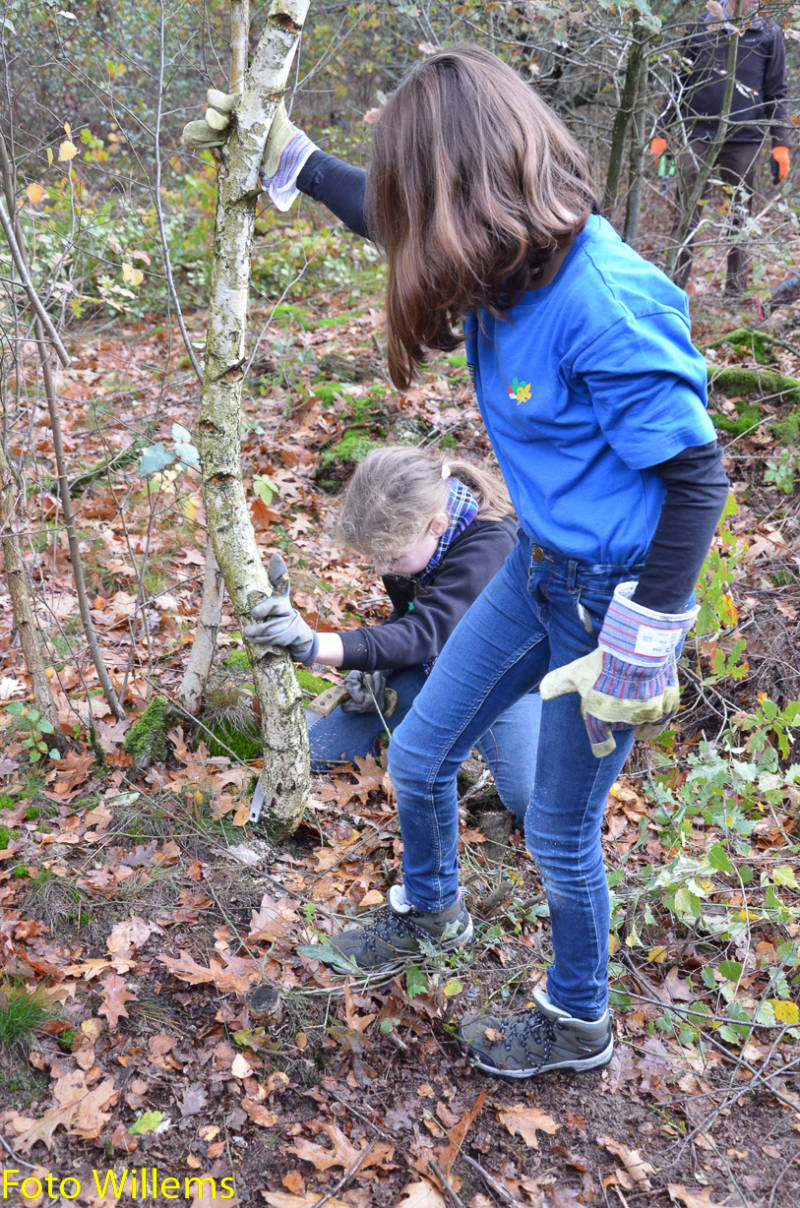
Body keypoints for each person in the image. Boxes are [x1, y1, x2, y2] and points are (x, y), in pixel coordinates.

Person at [202, 45, 729, 1078]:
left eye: (414, 197)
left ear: (462, 190)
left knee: (560, 834)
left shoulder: (599, 302)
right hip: (537, 565)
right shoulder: (499, 256)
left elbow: (696, 478)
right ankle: (430, 910)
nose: (402, 228)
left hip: (609, 602)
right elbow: (383, 219)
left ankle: (579, 1018)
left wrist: (638, 646)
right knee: (417, 753)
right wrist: (294, 160)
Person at [244, 446, 540, 828]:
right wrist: (377, 663)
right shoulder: (411, 541)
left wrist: (318, 646)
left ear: (436, 524)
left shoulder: (492, 545)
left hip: (509, 686)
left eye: (392, 559)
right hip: (436, 669)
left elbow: (428, 630)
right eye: (377, 558)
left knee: (531, 801)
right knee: (311, 749)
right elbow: (411, 614)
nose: (384, 568)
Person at [650, 0, 790, 296]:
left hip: (745, 140)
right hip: (697, 136)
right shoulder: (701, 26)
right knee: (685, 215)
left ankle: (735, 293)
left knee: (740, 216)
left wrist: (781, 144)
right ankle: (671, 290)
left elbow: (777, 92)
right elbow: (679, 81)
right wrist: (661, 130)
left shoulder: (768, 33)